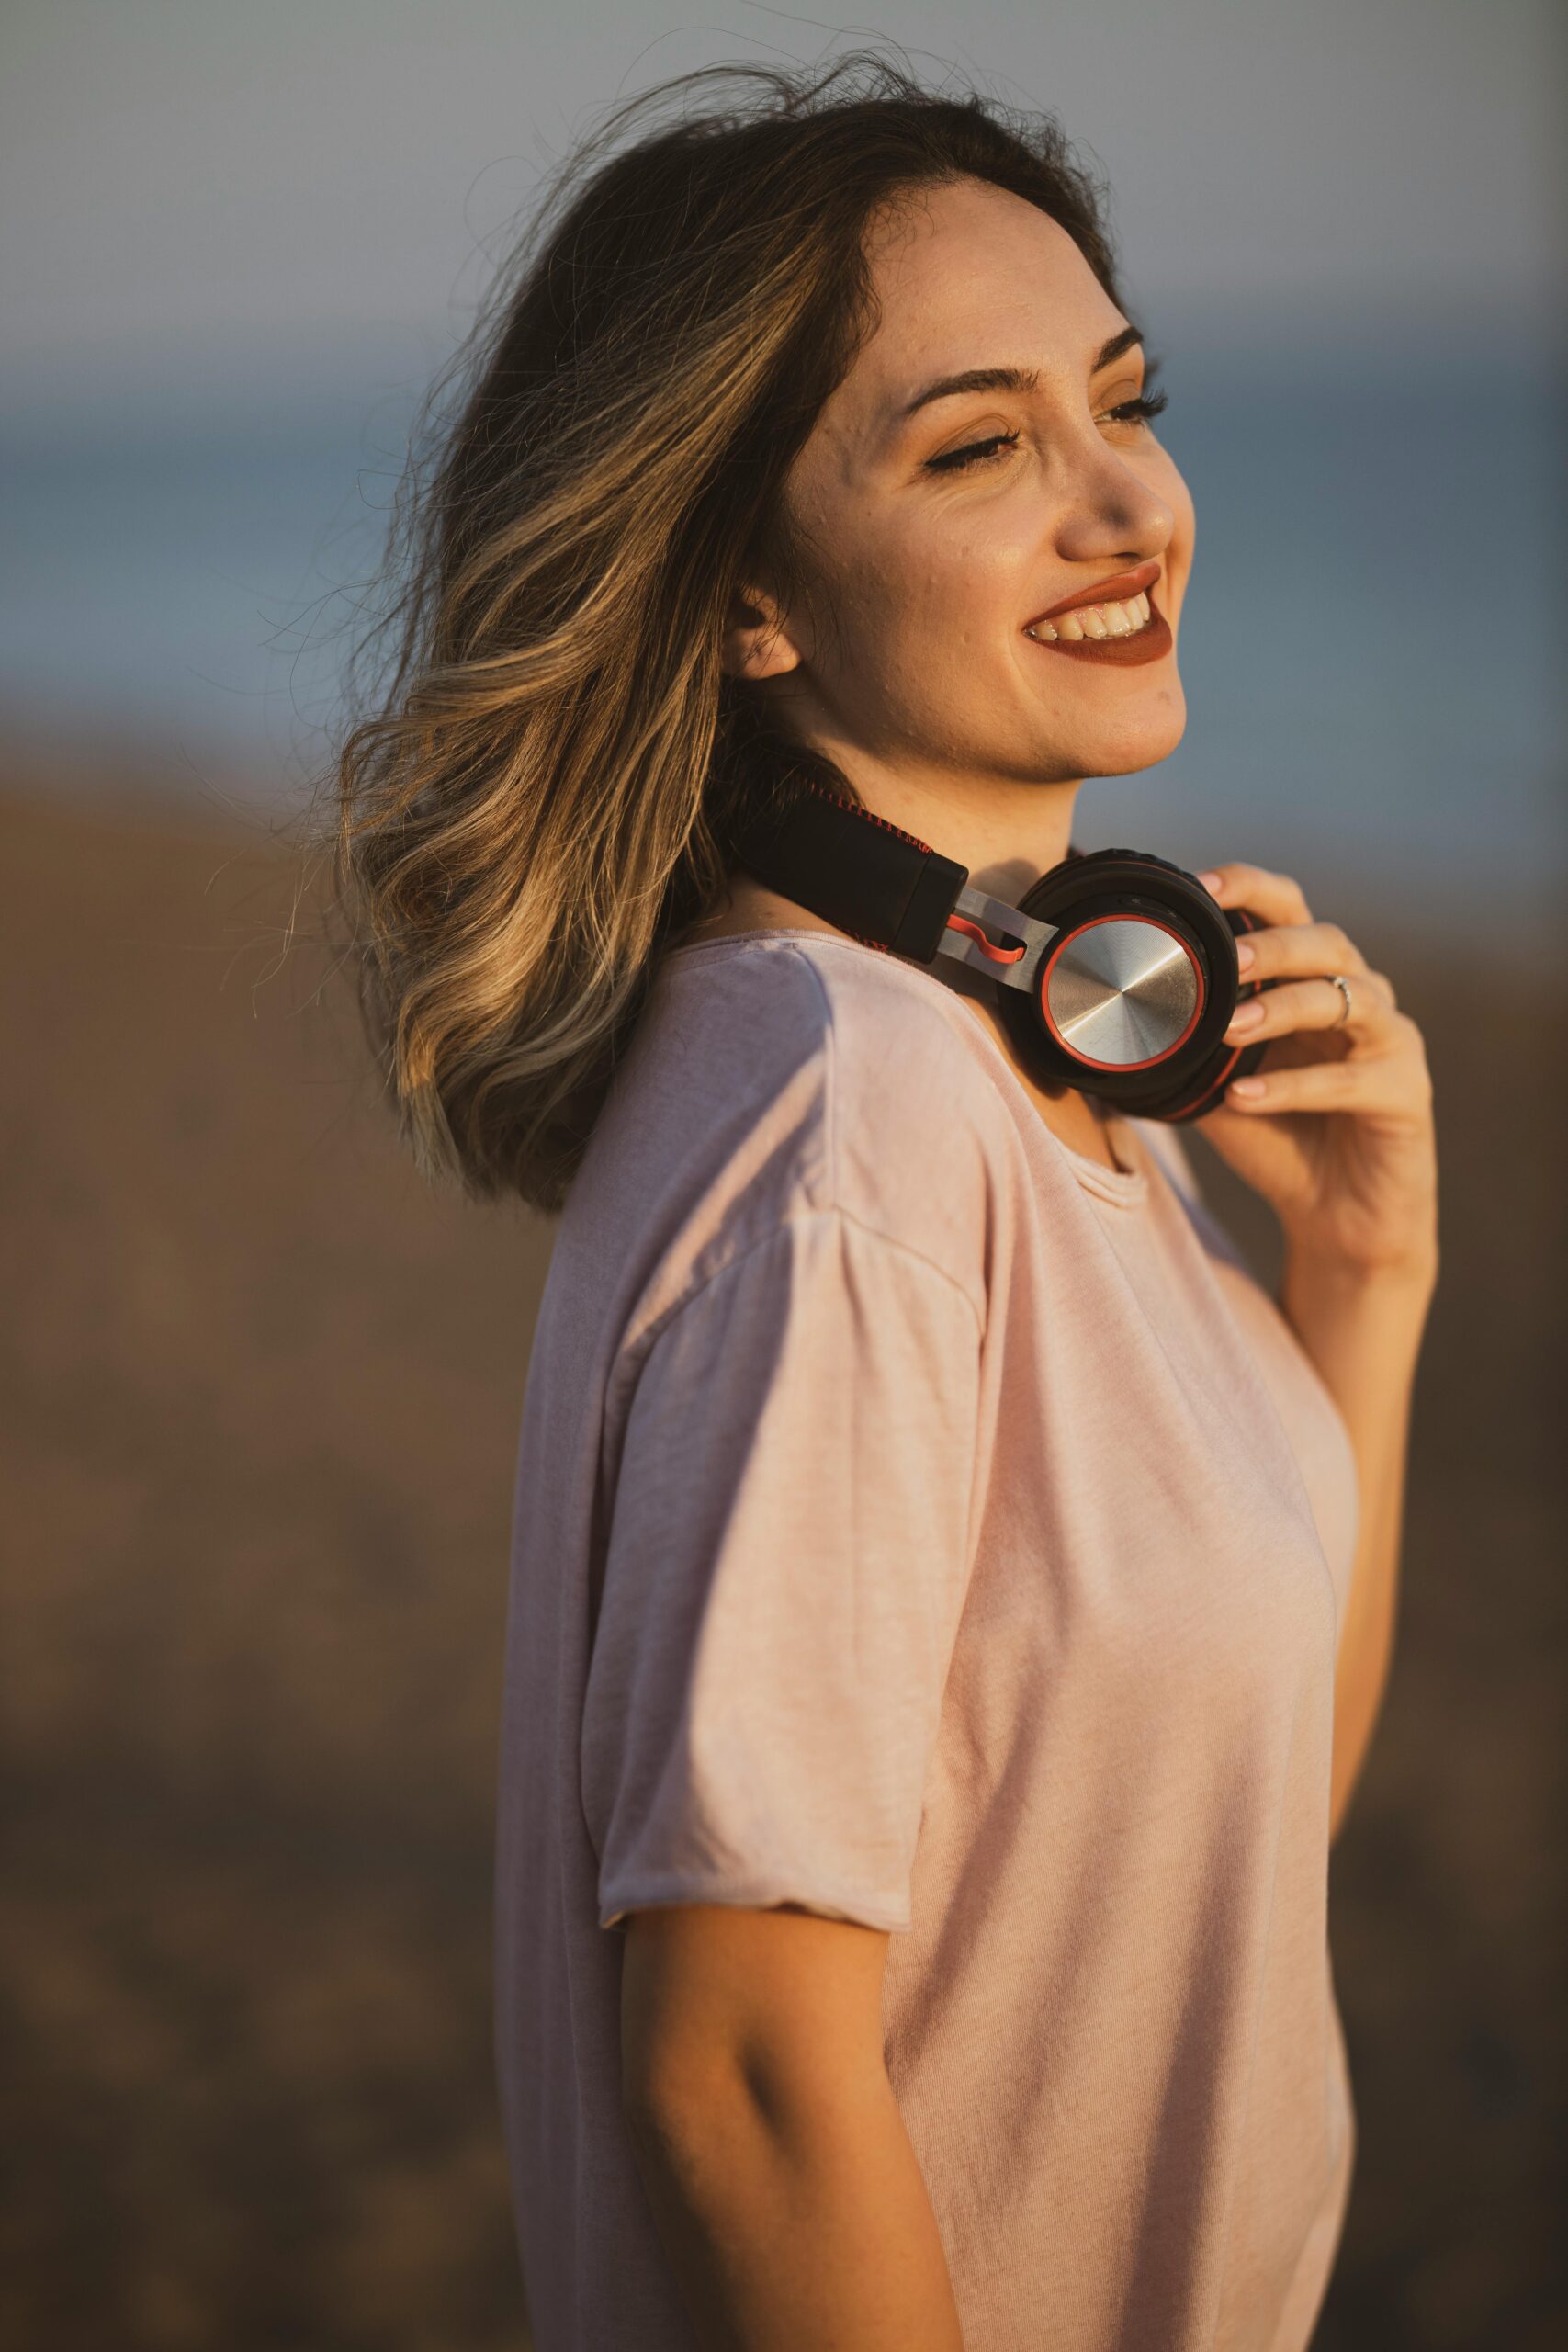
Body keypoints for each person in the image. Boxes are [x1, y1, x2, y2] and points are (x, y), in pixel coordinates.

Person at [333, 53, 1438, 2352]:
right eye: (978, 447)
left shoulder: (999, 1051)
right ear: (747, 601)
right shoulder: (855, 1126)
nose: (1127, 502)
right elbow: (738, 2075)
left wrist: (1355, 1272)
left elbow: (1207, 1847)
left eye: (1119, 403)